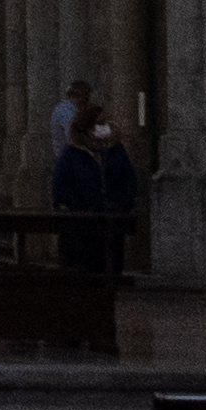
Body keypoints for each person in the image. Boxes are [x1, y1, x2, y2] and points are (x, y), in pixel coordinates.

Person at [50, 107, 140, 282]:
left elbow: (129, 180)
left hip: (111, 224)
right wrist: (82, 206)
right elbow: (61, 190)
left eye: (105, 123)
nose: (104, 128)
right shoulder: (71, 156)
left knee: (110, 273)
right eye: (98, 124)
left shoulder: (115, 152)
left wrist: (122, 204)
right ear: (85, 128)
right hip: (83, 228)